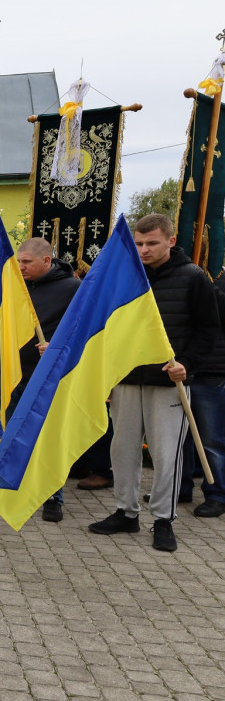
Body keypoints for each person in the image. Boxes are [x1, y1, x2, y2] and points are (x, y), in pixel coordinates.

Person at [88, 214, 219, 552]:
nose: (144, 250)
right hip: (127, 380)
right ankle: (126, 513)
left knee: (166, 456)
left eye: (152, 243)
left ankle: (163, 520)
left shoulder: (193, 279)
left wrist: (186, 365)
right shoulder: (126, 278)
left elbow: (209, 332)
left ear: (171, 241)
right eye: (140, 243)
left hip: (169, 384)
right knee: (123, 450)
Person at [15, 238, 80, 521]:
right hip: (16, 371)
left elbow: (83, 329)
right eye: (18, 261)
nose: (21, 267)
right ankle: (12, 486)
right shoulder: (17, 286)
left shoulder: (73, 289)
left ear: (46, 260)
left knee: (49, 434)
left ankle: (53, 495)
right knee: (14, 430)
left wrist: (56, 346)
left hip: (51, 374)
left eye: (26, 262)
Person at [187, 272, 225, 518]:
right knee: (181, 438)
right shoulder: (208, 281)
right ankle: (180, 487)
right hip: (185, 369)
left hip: (212, 371)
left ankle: (217, 495)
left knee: (212, 441)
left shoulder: (215, 287)